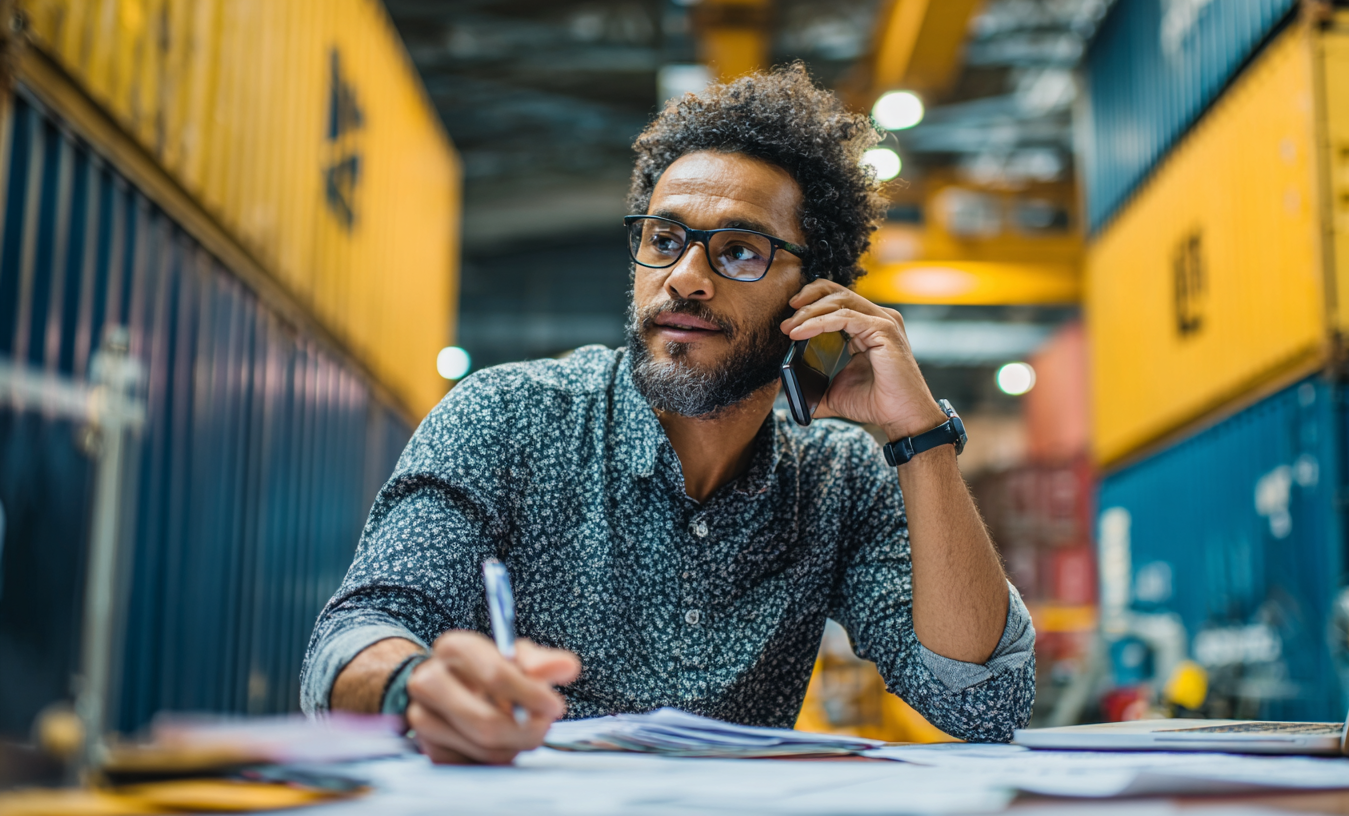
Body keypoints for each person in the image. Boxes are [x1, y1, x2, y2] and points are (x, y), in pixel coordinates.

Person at [302, 64, 1034, 765]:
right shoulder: (507, 418)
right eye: (664, 239)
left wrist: (921, 439)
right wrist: (411, 687)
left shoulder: (837, 481)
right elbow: (352, 638)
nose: (685, 278)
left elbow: (982, 704)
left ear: (815, 298)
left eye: (739, 251)